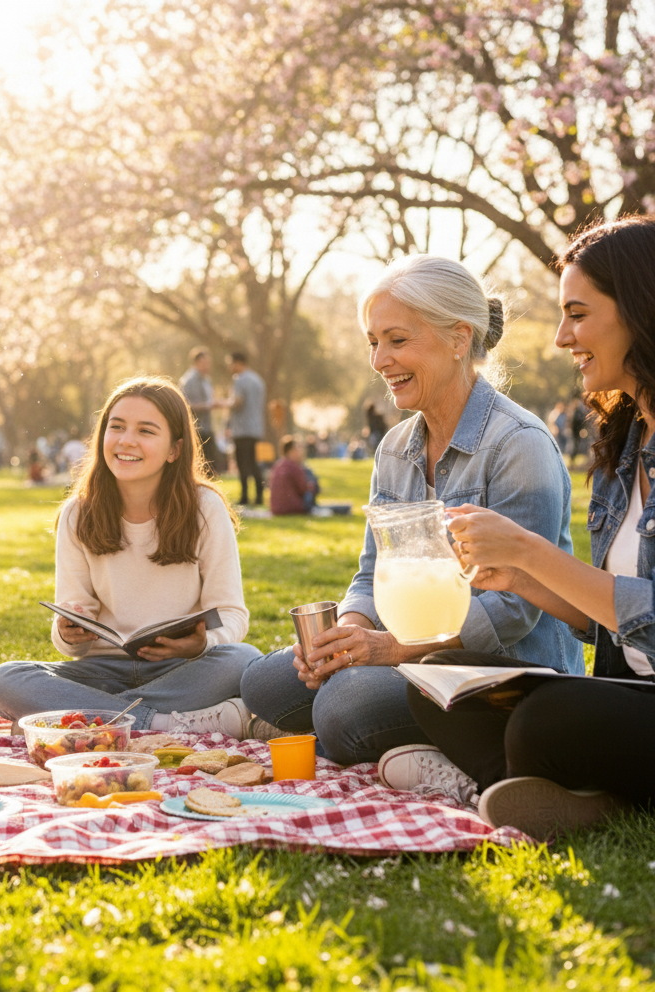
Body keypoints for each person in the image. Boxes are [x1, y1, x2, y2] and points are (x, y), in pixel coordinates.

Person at [240, 254, 583, 765]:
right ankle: (404, 738)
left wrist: (388, 649)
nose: (380, 361)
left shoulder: (519, 443)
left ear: (459, 339)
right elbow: (370, 572)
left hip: (504, 670)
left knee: (343, 705)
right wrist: (345, 636)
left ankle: (451, 756)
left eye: (397, 340)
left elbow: (515, 610)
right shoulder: (395, 449)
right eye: (373, 343)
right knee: (263, 683)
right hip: (410, 652)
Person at [379, 217, 655, 838]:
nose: (561, 337)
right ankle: (561, 794)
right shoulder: (625, 445)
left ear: (640, 309)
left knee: (546, 720)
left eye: (577, 314)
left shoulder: (522, 439)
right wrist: (521, 579)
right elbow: (610, 625)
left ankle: (528, 783)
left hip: (626, 706)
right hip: (628, 694)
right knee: (443, 681)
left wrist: (530, 552)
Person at [0, 376, 262, 737]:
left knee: (245, 659)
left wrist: (205, 643)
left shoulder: (205, 508)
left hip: (180, 669)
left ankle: (91, 716)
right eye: (116, 427)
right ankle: (163, 723)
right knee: (6, 680)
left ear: (174, 449)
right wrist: (69, 633)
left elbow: (232, 614)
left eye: (145, 431)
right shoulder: (77, 513)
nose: (126, 440)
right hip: (102, 671)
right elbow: (71, 634)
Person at [227, 351, 266, 505]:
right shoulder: (258, 380)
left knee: (242, 464)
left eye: (231, 364)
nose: (230, 367)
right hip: (256, 428)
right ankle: (259, 496)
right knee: (254, 463)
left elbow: (238, 402)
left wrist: (224, 404)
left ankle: (245, 496)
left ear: (237, 363)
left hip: (242, 429)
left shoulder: (239, 380)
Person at [179, 347, 218, 474]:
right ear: (197, 362)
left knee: (210, 464)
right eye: (205, 363)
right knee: (198, 466)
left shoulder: (206, 380)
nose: (208, 366)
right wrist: (208, 405)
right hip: (196, 428)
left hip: (207, 426)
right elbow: (186, 405)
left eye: (209, 363)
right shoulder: (188, 381)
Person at [269, 436, 319, 516]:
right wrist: (311, 486)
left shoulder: (277, 466)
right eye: (298, 448)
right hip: (293, 508)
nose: (302, 452)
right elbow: (303, 489)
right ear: (291, 451)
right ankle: (315, 508)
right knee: (312, 480)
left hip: (276, 508)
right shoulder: (294, 467)